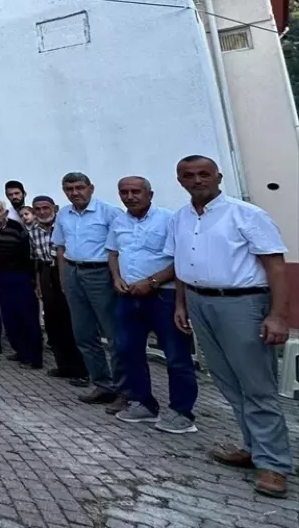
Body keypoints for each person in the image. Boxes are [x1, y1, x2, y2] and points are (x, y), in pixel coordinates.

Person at [169, 156, 291, 497]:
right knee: (228, 383)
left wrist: (278, 315)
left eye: (203, 174)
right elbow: (181, 262)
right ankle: (254, 449)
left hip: (241, 304)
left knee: (257, 385)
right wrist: (181, 304)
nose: (196, 180)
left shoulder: (246, 214)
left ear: (218, 177)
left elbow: (276, 267)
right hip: (198, 301)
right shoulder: (180, 217)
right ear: (179, 180)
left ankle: (274, 465)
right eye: (188, 175)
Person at [106, 176, 197, 433]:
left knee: (176, 356)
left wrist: (153, 281)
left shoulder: (169, 219)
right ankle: (143, 404)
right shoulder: (118, 221)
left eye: (136, 191)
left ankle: (182, 411)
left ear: (150, 194)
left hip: (163, 296)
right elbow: (113, 253)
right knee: (128, 351)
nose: (130, 196)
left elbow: (180, 258)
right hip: (128, 296)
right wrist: (116, 278)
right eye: (124, 192)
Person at [53, 172, 126, 406]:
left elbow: (120, 249)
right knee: (84, 334)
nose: (75, 193)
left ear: (91, 188)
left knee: (113, 333)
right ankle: (103, 384)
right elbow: (61, 249)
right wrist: (64, 279)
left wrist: (117, 278)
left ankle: (125, 389)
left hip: (100, 273)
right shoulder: (64, 213)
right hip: (73, 272)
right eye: (69, 189)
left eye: (79, 188)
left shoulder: (109, 212)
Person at [29, 196, 88, 382]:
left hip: (64, 270)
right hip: (46, 272)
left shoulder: (63, 225)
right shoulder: (33, 229)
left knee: (70, 321)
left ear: (54, 208)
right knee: (53, 322)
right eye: (37, 209)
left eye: (45, 208)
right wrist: (39, 284)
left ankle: (81, 370)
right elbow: (36, 260)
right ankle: (63, 365)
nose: (41, 212)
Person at [0, 200, 36, 363]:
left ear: (5, 212)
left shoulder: (17, 228)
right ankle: (19, 350)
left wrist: (31, 278)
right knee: (9, 316)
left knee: (25, 315)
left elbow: (27, 253)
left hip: (20, 275)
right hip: (1, 275)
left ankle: (32, 355)